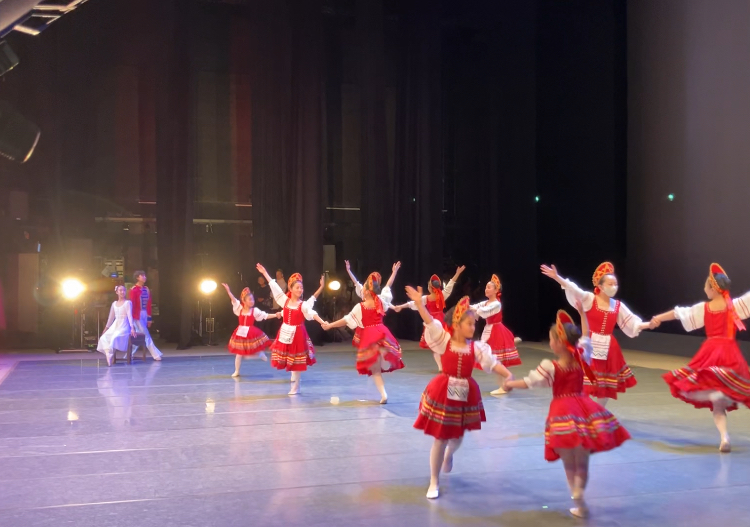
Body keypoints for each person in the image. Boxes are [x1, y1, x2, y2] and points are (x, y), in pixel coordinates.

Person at [504, 306, 630, 518]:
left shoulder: (552, 366)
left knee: (568, 463)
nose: (550, 342)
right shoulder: (582, 358)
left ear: (560, 343)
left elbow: (530, 382)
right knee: (582, 461)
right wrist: (582, 315)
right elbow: (586, 336)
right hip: (583, 409)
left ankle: (576, 495)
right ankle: (580, 497)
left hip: (562, 412)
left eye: (552, 339)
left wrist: (510, 385)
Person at [407, 287, 513, 500]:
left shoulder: (477, 348)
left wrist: (507, 374)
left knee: (457, 435)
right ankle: (434, 480)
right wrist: (420, 304)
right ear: (456, 325)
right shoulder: (444, 341)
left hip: (465, 392)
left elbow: (492, 363)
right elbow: (430, 322)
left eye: (474, 324)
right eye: (470, 324)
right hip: (443, 391)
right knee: (440, 437)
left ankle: (449, 455)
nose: (473, 327)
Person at [650, 263, 750, 453]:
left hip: (712, 352)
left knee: (713, 397)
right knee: (727, 391)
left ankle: (724, 433)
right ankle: (724, 434)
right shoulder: (734, 306)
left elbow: (680, 313)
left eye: (706, 287)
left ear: (713, 289)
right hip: (730, 353)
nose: (704, 290)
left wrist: (659, 318)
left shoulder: (705, 308)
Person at [541, 262, 650, 406]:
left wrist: (649, 324)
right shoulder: (589, 299)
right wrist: (557, 277)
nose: (614, 286)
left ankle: (599, 411)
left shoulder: (617, 305)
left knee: (604, 383)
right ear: (600, 286)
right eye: (610, 283)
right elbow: (574, 289)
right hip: (589, 344)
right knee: (584, 379)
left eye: (615, 283)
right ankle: (582, 409)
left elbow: (632, 323)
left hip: (609, 347)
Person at [323, 271, 404, 404]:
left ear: (365, 292)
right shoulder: (381, 302)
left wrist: (330, 325)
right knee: (381, 357)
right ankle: (384, 362)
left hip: (370, 336)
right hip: (382, 332)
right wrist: (394, 272)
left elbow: (346, 320)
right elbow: (387, 287)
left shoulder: (361, 307)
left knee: (375, 369)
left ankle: (384, 393)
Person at [257, 263, 326, 395]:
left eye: (301, 288)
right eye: (297, 287)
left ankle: (296, 387)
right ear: (291, 288)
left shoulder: (303, 305)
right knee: (289, 359)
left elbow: (312, 312)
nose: (300, 290)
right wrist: (265, 272)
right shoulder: (285, 301)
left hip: (298, 334)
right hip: (285, 332)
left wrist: (323, 322)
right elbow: (274, 286)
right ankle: (294, 383)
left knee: (296, 361)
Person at [471, 274, 522, 395]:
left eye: (489, 287)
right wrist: (464, 306)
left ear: (496, 290)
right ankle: (510, 342)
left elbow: (483, 313)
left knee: (498, 359)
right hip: (489, 330)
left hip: (496, 330)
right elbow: (476, 306)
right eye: (486, 287)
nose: (486, 289)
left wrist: (472, 309)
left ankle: (503, 387)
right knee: (494, 357)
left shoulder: (496, 304)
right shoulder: (487, 302)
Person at [222, 283, 281, 377]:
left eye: (253, 299)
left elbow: (265, 315)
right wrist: (228, 291)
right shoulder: (239, 309)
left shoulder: (255, 311)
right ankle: (237, 371)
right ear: (244, 301)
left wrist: (275, 315)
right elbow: (233, 300)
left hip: (250, 332)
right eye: (250, 299)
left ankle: (260, 354)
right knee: (239, 353)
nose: (252, 301)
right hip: (240, 332)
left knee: (250, 351)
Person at [344, 260, 402, 346]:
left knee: (373, 348)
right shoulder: (365, 292)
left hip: (374, 325)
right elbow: (356, 282)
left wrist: (394, 272)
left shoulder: (377, 297)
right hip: (367, 324)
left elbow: (386, 290)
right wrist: (349, 270)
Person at [97, 285, 137, 366]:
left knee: (115, 337)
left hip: (124, 325)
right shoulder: (114, 304)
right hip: (116, 325)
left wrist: (132, 328)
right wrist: (106, 328)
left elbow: (130, 316)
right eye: (120, 290)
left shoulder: (127, 303)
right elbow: (111, 318)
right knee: (104, 337)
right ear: (117, 292)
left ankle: (110, 354)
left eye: (124, 290)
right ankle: (109, 354)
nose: (122, 292)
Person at [129, 270, 163, 361]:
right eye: (142, 276)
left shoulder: (146, 289)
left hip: (144, 313)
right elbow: (132, 305)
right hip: (137, 315)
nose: (144, 277)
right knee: (145, 334)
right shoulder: (134, 290)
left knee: (138, 335)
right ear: (137, 278)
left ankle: (129, 354)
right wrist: (131, 318)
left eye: (144, 276)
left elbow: (149, 304)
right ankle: (155, 354)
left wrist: (149, 317)